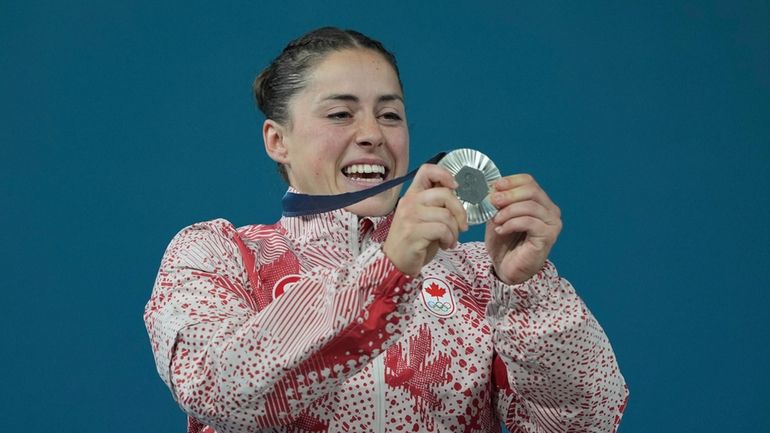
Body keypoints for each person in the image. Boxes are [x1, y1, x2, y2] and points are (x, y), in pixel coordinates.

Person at [144, 27, 628, 433]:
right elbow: (215, 388)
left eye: (390, 114)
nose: (373, 134)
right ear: (278, 140)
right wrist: (388, 271)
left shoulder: (482, 272)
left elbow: (587, 424)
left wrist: (527, 291)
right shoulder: (215, 254)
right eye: (340, 113)